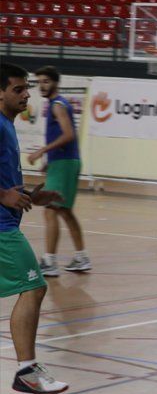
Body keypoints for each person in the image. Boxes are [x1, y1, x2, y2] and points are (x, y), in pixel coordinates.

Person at [0, 62, 69, 394]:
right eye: (18, 89)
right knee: (35, 287)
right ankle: (27, 371)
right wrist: (3, 195)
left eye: (26, 87)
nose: (27, 94)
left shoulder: (7, 126)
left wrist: (30, 196)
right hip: (2, 230)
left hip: (6, 221)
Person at [25, 66, 90, 276]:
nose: (42, 85)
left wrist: (42, 151)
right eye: (39, 82)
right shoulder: (56, 104)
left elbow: (69, 134)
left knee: (50, 209)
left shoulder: (58, 105)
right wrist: (48, 160)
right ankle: (81, 257)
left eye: (45, 81)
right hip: (62, 162)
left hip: (65, 162)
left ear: (55, 82)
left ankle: (50, 261)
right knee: (64, 210)